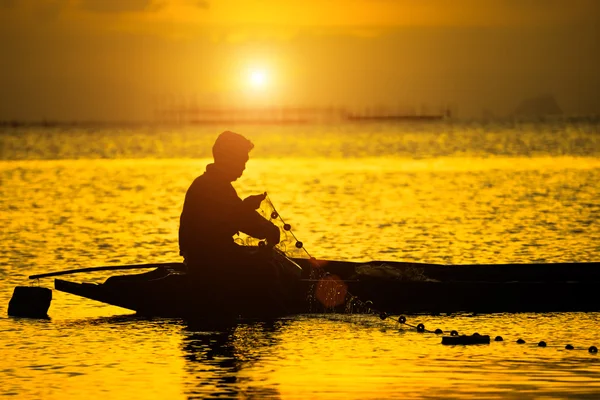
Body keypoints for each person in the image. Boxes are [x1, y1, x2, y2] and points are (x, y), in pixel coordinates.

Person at [179, 131, 280, 279]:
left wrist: (248, 207)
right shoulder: (212, 186)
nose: (244, 167)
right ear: (229, 159)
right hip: (208, 260)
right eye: (241, 161)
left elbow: (234, 215)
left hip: (212, 255)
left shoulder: (215, 184)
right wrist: (270, 230)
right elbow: (240, 220)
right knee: (268, 269)